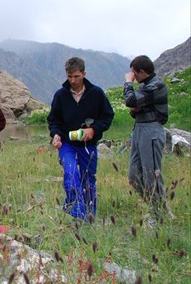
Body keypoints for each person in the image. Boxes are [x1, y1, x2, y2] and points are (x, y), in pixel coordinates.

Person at [47, 57, 114, 222]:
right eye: (69, 76)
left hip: (87, 145)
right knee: (70, 173)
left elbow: (107, 116)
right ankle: (76, 212)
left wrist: (94, 129)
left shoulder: (96, 93)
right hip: (67, 143)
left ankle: (89, 217)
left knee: (88, 179)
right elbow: (53, 120)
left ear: (84, 73)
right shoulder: (61, 95)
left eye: (76, 76)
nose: (72, 80)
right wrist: (55, 134)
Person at [124, 55, 168, 226]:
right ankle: (154, 207)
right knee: (134, 175)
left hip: (151, 130)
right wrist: (136, 108)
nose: (132, 76)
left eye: (134, 73)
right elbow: (134, 109)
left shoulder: (156, 85)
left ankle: (160, 214)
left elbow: (131, 101)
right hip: (139, 129)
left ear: (141, 72)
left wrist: (128, 83)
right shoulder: (146, 87)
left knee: (152, 174)